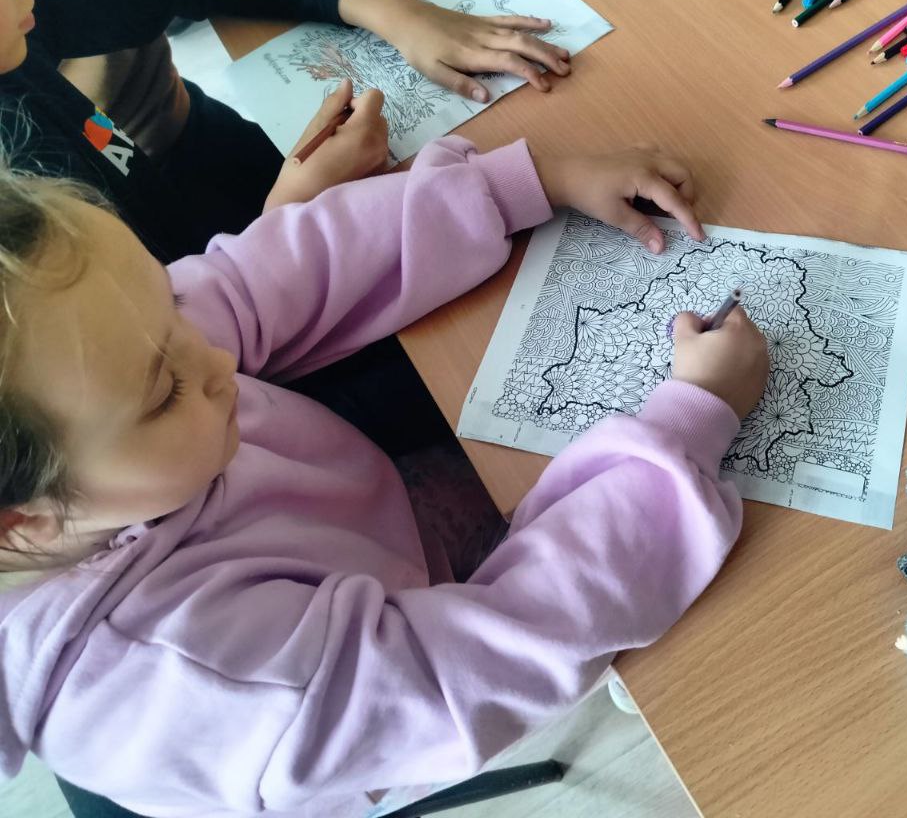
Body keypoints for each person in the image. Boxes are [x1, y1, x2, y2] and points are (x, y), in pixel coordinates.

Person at [0, 126, 769, 816]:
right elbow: (473, 667)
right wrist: (689, 422)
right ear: (24, 521)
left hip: (375, 532)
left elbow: (255, 279)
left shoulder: (95, 371)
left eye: (171, 306)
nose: (216, 355)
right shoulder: (186, 688)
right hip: (395, 710)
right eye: (165, 390)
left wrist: (523, 184)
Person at [1, 0, 573, 454]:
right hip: (222, 373)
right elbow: (171, 369)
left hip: (208, 226)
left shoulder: (16, 15)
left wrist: (388, 8)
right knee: (493, 357)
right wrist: (287, 212)